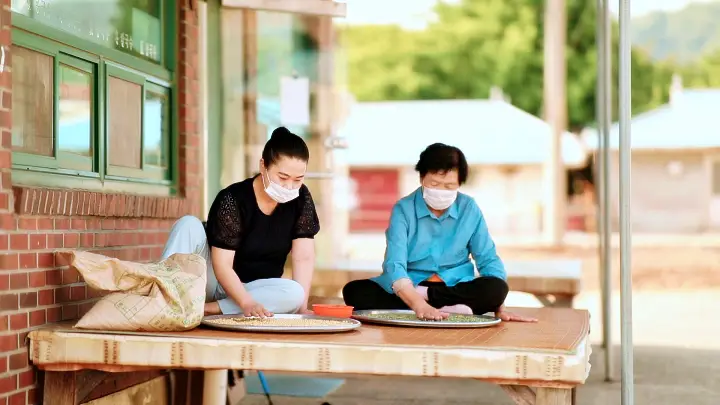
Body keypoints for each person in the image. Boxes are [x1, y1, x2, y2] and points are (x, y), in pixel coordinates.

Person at [343, 143, 536, 322]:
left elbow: (488, 259)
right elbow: (395, 263)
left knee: (497, 287)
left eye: (449, 186)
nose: (441, 191)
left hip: (455, 287)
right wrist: (416, 302)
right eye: (434, 184)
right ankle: (436, 306)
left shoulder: (469, 208)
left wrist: (499, 305)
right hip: (409, 287)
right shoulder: (403, 209)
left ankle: (425, 303)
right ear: (421, 178)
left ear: (460, 184)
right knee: (354, 291)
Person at [161, 127, 320, 317]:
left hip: (257, 290)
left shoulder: (301, 199)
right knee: (188, 225)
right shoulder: (233, 199)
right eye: (283, 177)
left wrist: (300, 311)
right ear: (263, 166)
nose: (289, 186)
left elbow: (304, 257)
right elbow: (222, 265)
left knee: (295, 294)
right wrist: (245, 302)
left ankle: (209, 309)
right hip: (214, 281)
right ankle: (163, 300)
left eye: (298, 179)